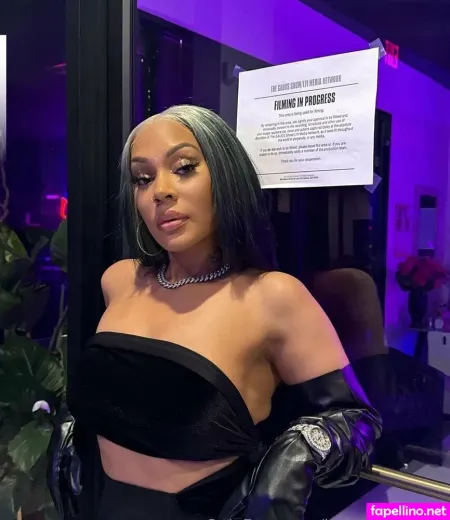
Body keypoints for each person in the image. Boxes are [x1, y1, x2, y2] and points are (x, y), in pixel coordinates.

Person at [48, 105, 381, 520]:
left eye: (183, 168)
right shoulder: (120, 280)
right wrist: (72, 426)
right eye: (143, 179)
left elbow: (357, 421)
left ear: (225, 176)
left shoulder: (271, 297)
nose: (160, 191)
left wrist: (298, 451)